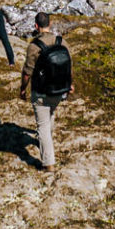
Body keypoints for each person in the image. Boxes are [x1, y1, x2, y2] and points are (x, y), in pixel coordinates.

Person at [18, 12, 72, 171]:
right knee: (51, 114)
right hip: (59, 90)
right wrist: (70, 84)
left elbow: (27, 72)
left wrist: (22, 89)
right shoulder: (62, 42)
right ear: (50, 23)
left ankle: (48, 163)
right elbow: (69, 66)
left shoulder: (34, 46)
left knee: (42, 126)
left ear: (36, 26)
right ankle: (47, 140)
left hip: (41, 91)